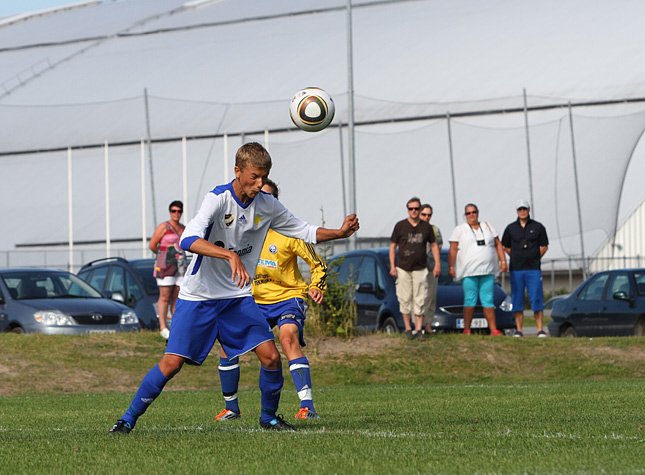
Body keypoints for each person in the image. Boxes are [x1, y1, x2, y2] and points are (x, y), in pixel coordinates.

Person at [109, 142, 359, 434]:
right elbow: (187, 239)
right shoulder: (218, 199)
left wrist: (340, 233)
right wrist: (229, 255)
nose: (259, 183)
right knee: (172, 364)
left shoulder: (267, 204)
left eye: (264, 177)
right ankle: (127, 419)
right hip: (199, 296)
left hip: (236, 298)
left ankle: (269, 418)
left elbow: (303, 229)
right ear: (238, 171)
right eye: (254, 176)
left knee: (271, 357)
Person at [216, 179, 326, 422]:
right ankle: (231, 408)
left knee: (288, 338)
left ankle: (307, 407)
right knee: (226, 344)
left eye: (268, 197)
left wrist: (316, 286)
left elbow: (318, 265)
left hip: (288, 298)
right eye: (258, 196)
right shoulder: (243, 231)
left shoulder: (289, 231)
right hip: (254, 300)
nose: (261, 201)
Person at [447, 203, 507, 335]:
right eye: (468, 213)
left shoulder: (487, 226)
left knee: (488, 300)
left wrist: (503, 261)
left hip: (487, 271)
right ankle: (467, 329)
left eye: (474, 212)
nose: (471, 215)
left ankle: (493, 329)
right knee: (470, 299)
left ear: (478, 213)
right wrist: (451, 267)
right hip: (469, 272)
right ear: (465, 215)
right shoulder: (460, 229)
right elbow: (453, 249)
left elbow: (498, 244)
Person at [389, 197, 441, 340]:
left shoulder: (426, 227)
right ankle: (408, 329)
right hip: (403, 267)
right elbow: (393, 246)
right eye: (411, 209)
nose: (414, 211)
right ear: (407, 210)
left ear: (419, 210)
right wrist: (392, 266)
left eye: (416, 209)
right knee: (404, 299)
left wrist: (437, 264)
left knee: (420, 298)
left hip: (420, 268)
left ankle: (419, 330)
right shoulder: (400, 226)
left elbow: (434, 246)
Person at [501, 199, 549, 338]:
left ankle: (540, 330)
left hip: (533, 269)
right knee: (517, 299)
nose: (522, 211)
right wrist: (516, 256)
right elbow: (506, 247)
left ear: (529, 209)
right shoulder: (511, 228)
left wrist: (534, 256)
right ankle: (519, 330)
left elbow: (544, 246)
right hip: (516, 269)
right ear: (517, 211)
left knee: (537, 298)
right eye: (520, 209)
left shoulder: (538, 227)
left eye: (525, 209)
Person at [149, 200, 187, 339]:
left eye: (179, 211)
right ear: (170, 212)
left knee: (177, 297)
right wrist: (163, 255)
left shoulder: (183, 228)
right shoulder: (163, 227)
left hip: (180, 266)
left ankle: (175, 326)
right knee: (165, 296)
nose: (176, 213)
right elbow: (153, 245)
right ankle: (163, 326)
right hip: (166, 266)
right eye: (174, 211)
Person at [419, 204, 443, 335]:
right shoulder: (412, 229)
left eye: (429, 215)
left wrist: (437, 264)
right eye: (424, 214)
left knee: (430, 297)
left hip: (430, 267)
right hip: (416, 268)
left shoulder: (434, 230)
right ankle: (417, 326)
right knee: (418, 297)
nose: (426, 217)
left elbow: (438, 247)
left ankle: (427, 325)